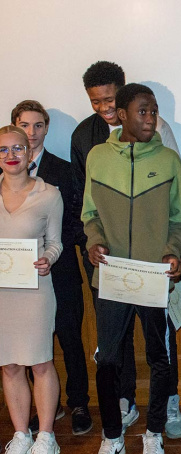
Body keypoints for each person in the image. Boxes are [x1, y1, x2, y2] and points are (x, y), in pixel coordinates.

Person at [71, 61, 181, 438]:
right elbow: (89, 212)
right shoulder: (97, 156)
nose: (151, 117)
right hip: (112, 276)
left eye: (154, 111)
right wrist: (94, 243)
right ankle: (112, 436)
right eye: (143, 111)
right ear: (122, 116)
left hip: (154, 277)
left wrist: (171, 251)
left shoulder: (168, 157)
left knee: (160, 355)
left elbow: (178, 218)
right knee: (107, 358)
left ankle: (156, 429)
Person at [11, 100, 91, 436]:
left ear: (46, 128)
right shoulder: (4, 170)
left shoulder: (62, 169)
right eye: (24, 126)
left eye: (38, 126)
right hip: (17, 275)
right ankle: (44, 407)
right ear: (15, 127)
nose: (31, 133)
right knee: (28, 342)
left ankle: (79, 402)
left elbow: (76, 220)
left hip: (60, 271)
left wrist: (48, 249)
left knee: (70, 335)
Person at [0, 126, 63, 454]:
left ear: (29, 151)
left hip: (35, 288)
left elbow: (56, 242)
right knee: (9, 364)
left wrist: (48, 259)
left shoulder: (49, 194)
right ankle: (21, 435)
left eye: (17, 148)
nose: (10, 155)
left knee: (40, 363)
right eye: (3, 150)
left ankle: (46, 437)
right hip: (1, 293)